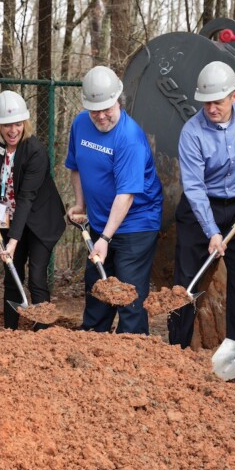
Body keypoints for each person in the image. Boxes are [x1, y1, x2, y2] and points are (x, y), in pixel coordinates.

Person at [168, 61, 235, 379]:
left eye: (218, 101)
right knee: (185, 282)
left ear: (234, 96)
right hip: (200, 208)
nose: (211, 108)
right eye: (206, 102)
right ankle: (176, 354)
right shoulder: (192, 133)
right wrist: (211, 231)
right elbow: (195, 188)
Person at [65, 66, 163, 335]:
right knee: (97, 285)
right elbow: (76, 166)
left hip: (136, 222)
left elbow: (126, 195)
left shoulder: (129, 138)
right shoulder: (80, 124)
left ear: (118, 100)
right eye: (94, 109)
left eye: (106, 107)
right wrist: (80, 204)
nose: (101, 115)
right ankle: (93, 343)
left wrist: (105, 239)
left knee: (128, 290)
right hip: (99, 220)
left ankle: (130, 348)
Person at [0, 91, 66, 329]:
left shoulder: (35, 151)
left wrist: (12, 242)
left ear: (25, 123)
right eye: (6, 125)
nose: (12, 130)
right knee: (11, 275)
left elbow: (27, 198)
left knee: (37, 277)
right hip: (11, 216)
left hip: (41, 221)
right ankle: (11, 330)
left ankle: (43, 333)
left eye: (18, 124)